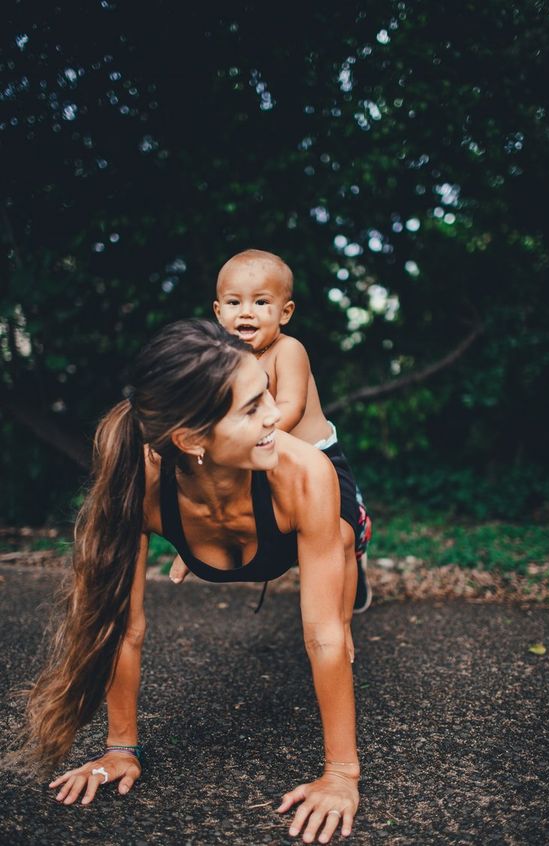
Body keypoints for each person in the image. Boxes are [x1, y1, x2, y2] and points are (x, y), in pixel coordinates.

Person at [14, 320, 359, 844]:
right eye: (251, 408)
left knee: (340, 538)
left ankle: (351, 546)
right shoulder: (140, 486)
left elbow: (324, 635)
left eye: (266, 392)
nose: (274, 415)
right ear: (191, 439)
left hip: (289, 539)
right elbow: (123, 627)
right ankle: (196, 554)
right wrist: (119, 748)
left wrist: (340, 775)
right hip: (211, 532)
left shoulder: (306, 471)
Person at [209, 249, 372, 615]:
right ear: (218, 312)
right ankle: (192, 552)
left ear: (285, 312)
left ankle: (341, 619)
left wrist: (238, 437)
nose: (246, 312)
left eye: (261, 302)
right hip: (264, 458)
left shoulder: (288, 350)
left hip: (320, 459)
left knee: (341, 537)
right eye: (234, 302)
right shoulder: (221, 360)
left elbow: (290, 408)